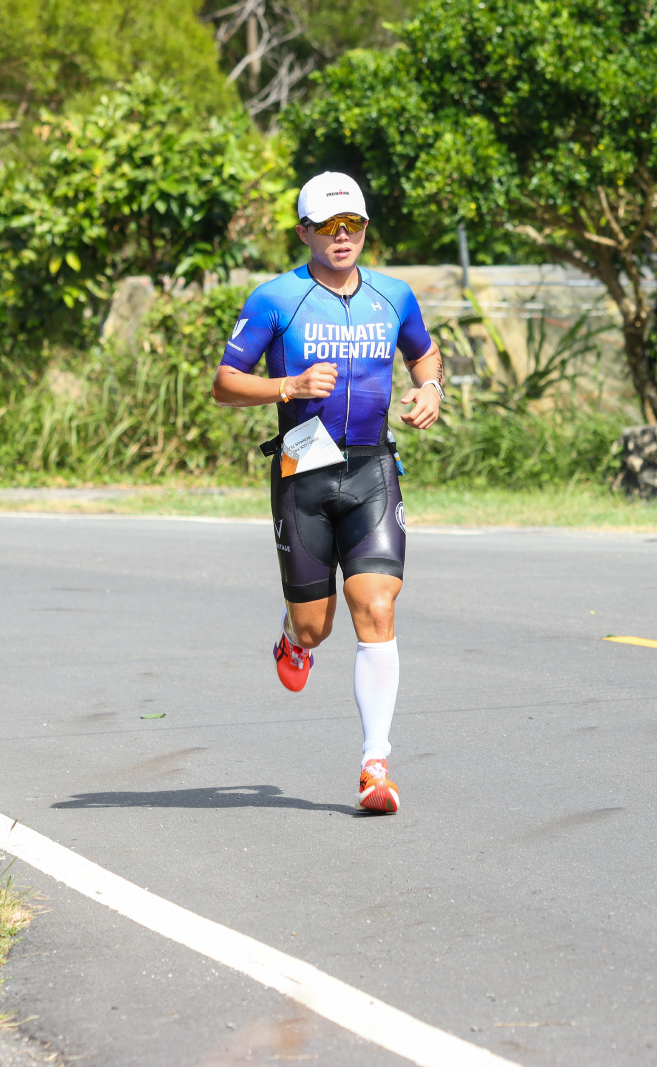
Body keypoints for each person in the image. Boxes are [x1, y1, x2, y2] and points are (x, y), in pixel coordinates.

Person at [212, 172, 444, 814]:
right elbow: (226, 382)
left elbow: (425, 357)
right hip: (303, 456)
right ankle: (292, 634)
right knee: (317, 630)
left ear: (367, 227)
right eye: (328, 228)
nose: (343, 239)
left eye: (355, 226)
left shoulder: (393, 296)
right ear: (304, 233)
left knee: (377, 607)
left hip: (372, 462)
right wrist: (288, 387)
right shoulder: (275, 299)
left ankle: (375, 765)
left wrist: (431, 392)